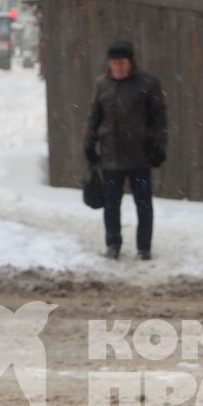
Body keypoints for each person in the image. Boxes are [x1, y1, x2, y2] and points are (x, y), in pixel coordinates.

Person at [83, 39, 167, 260]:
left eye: (122, 62)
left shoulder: (147, 84)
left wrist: (158, 146)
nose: (118, 67)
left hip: (140, 155)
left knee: (143, 205)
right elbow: (94, 118)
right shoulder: (102, 85)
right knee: (111, 205)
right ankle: (113, 244)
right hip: (111, 156)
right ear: (109, 64)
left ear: (130, 63)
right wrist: (89, 144)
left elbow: (159, 118)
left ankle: (144, 247)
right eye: (114, 62)